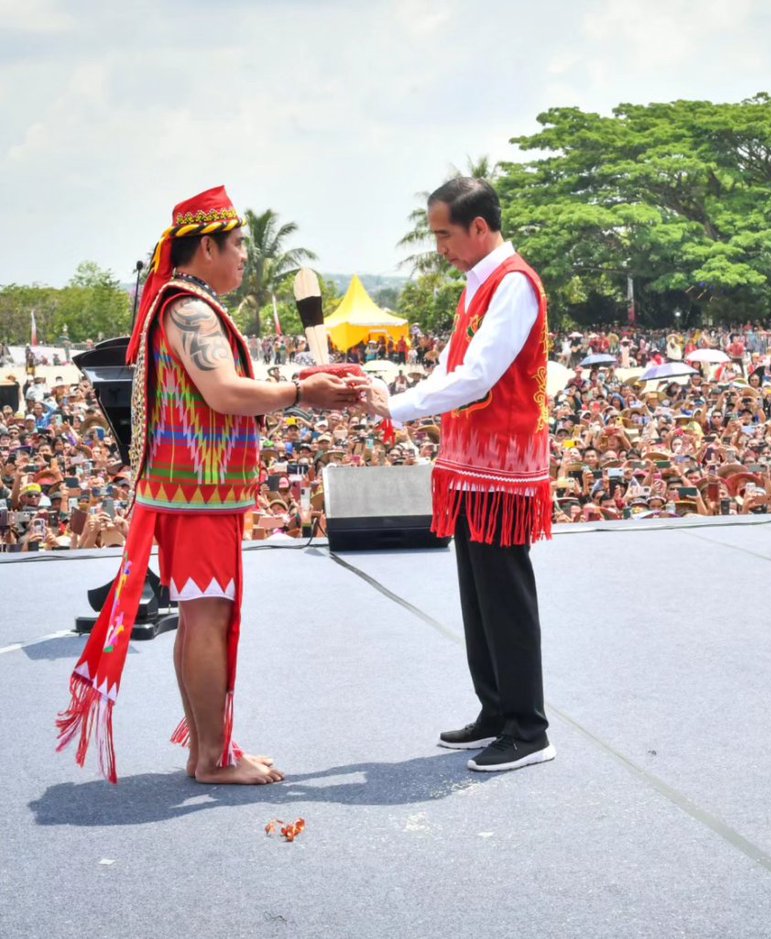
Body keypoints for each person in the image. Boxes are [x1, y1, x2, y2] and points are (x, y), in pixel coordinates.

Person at [56, 186, 361, 784]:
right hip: (196, 495)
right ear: (206, 247)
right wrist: (304, 393)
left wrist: (301, 385)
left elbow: (221, 391)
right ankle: (216, 757)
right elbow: (224, 394)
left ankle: (205, 749)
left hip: (193, 490)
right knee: (208, 617)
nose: (246, 254)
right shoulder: (190, 310)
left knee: (200, 617)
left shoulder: (185, 305)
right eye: (239, 243)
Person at [365, 177, 555, 773]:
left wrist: (397, 404)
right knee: (478, 593)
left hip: (503, 464)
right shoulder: (478, 285)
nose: (440, 247)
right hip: (472, 459)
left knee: (504, 594)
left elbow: (478, 376)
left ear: (479, 227)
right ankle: (496, 709)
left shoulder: (514, 284)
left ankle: (529, 728)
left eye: (445, 234)